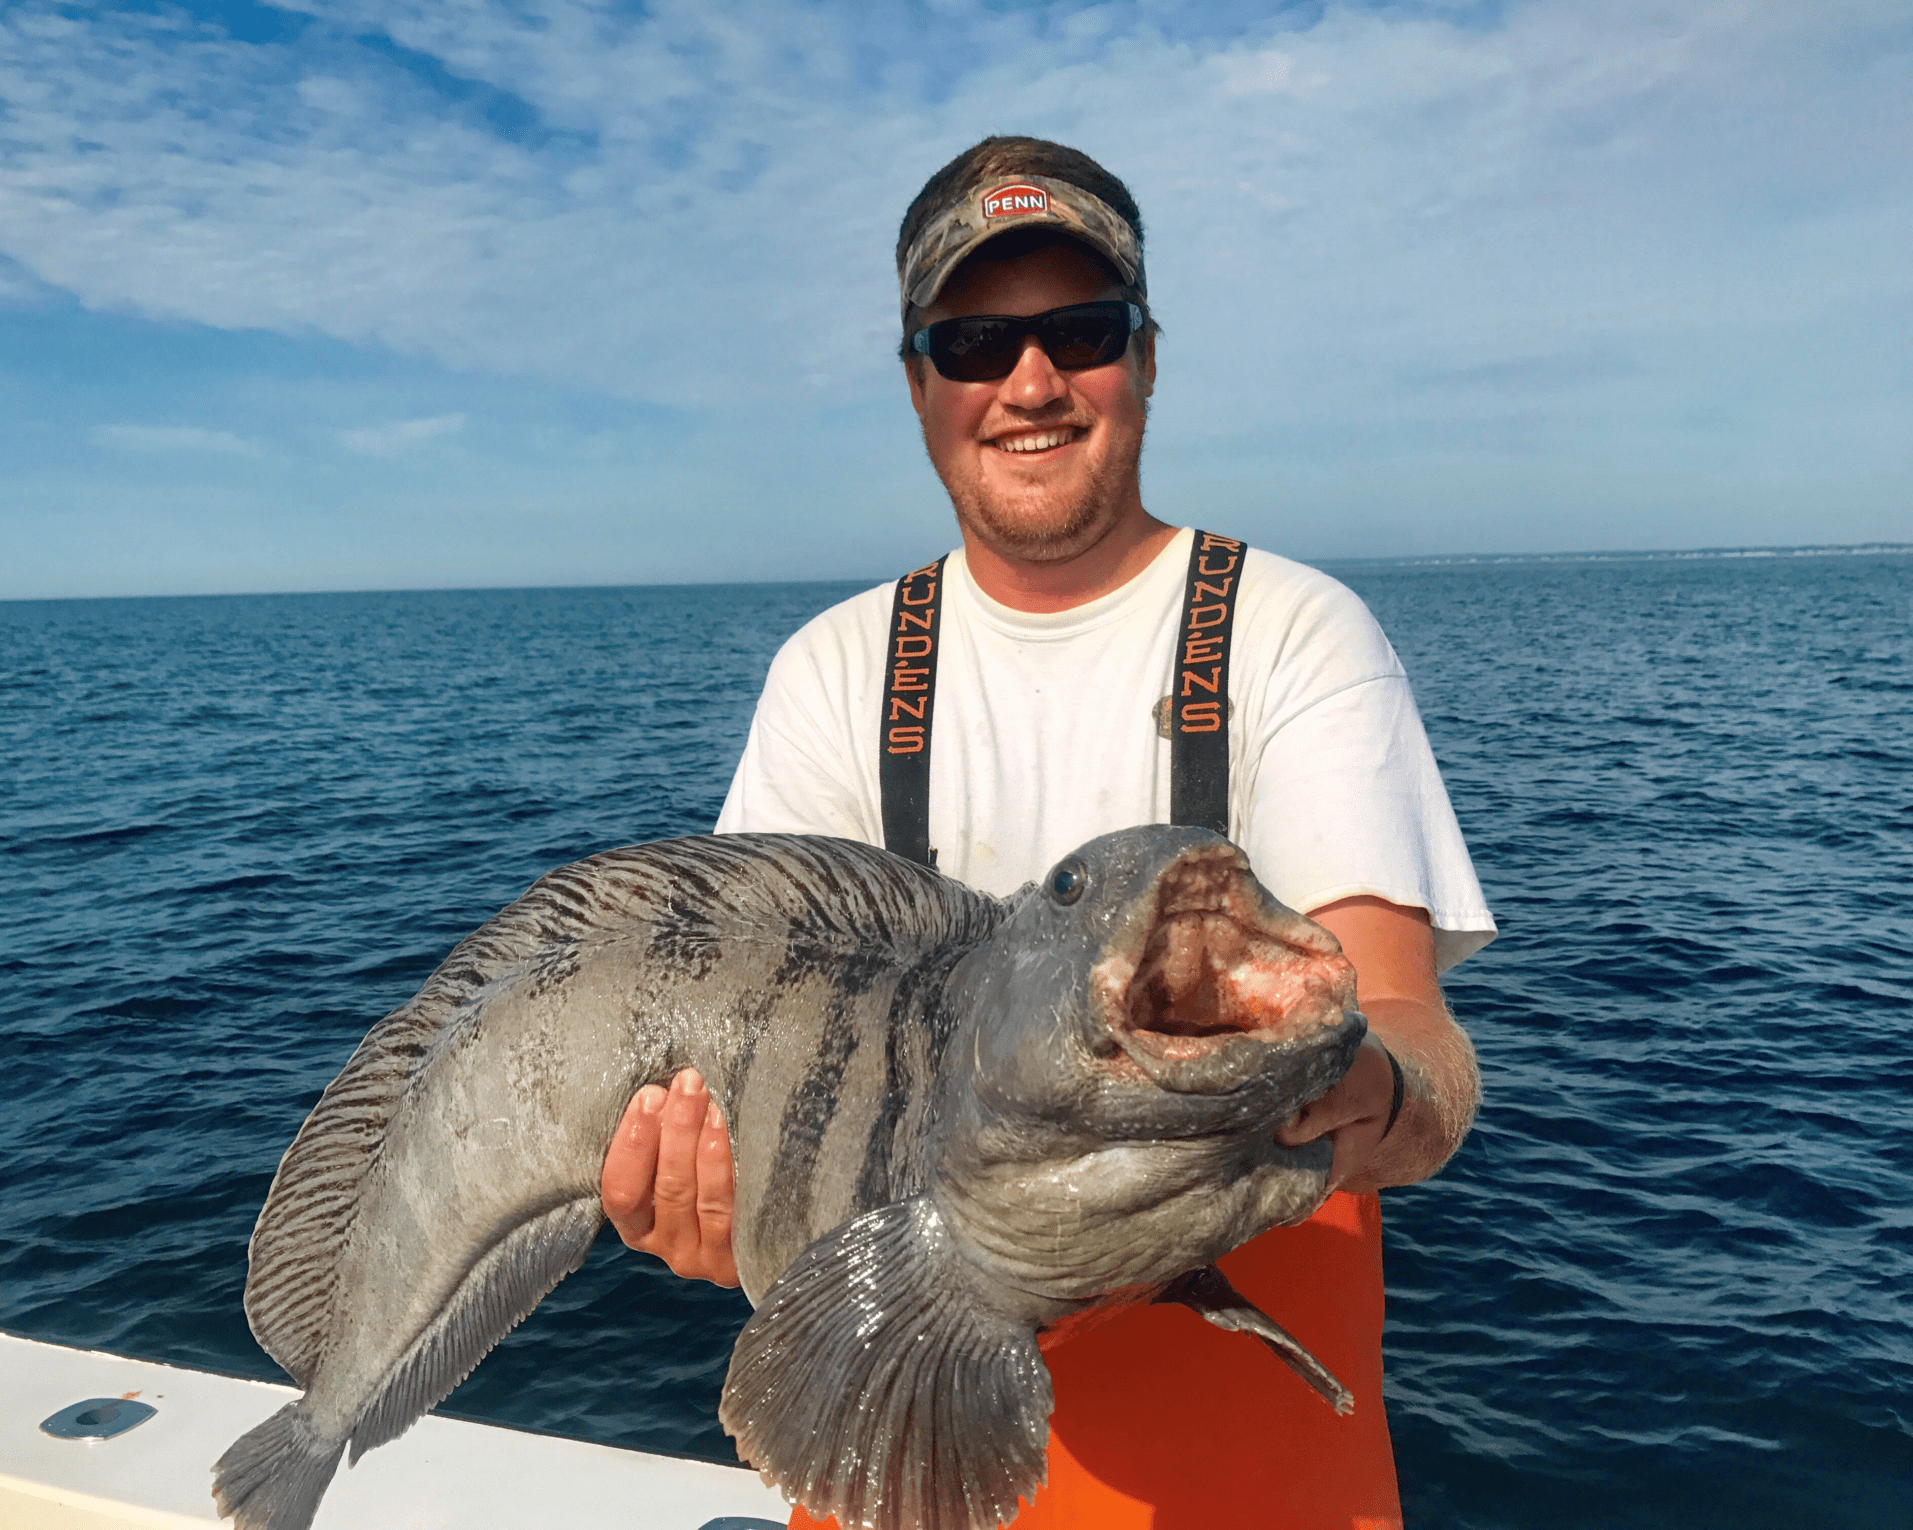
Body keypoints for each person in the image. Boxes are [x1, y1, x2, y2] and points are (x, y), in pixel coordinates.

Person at [598, 136, 1495, 1530]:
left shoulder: (1297, 635)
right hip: (898, 1462)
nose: (1029, 381)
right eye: (973, 342)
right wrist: (713, 1205)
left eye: (1080, 331)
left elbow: (1418, 1045)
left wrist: (1372, 1097)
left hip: (1258, 1487)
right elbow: (769, 1125)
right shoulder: (829, 676)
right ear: (918, 384)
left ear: (1146, 355)